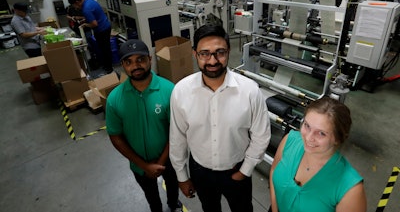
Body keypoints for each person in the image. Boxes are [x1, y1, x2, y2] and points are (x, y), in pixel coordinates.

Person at [169, 24, 271, 212]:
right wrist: (182, 176)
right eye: (205, 53)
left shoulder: (249, 91)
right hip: (200, 170)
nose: (213, 60)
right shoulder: (181, 92)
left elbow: (261, 135)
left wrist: (245, 170)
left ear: (228, 52)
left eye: (220, 53)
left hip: (236, 169)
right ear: (195, 54)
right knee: (209, 208)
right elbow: (178, 138)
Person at [106, 39, 182, 212]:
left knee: (172, 184)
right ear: (122, 65)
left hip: (169, 159)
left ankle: (172, 202)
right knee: (151, 195)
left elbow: (176, 131)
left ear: (150, 59)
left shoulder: (169, 90)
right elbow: (115, 136)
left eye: (140, 59)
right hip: (139, 164)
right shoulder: (114, 99)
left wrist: (161, 162)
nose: (136, 65)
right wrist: (144, 166)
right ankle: (156, 208)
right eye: (129, 62)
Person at [269, 97, 367, 212]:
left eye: (321, 133)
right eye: (307, 125)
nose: (308, 138)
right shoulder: (289, 141)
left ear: (338, 139)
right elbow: (273, 171)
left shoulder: (351, 189)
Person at [68, 0, 113, 74]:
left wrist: (85, 24)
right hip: (106, 25)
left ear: (76, 2)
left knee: (104, 49)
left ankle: (109, 68)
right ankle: (107, 66)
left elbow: (94, 24)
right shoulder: (90, 1)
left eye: (73, 5)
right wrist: (86, 20)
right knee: (105, 47)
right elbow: (94, 16)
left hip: (102, 30)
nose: (74, 8)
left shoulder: (86, 9)